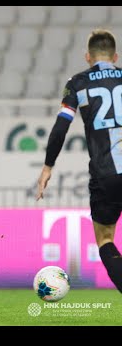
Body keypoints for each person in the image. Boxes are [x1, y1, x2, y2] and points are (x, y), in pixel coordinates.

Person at [36, 29, 122, 293]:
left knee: (106, 238)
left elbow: (61, 127)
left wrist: (48, 166)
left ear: (88, 57)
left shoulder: (78, 83)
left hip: (105, 173)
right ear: (115, 56)